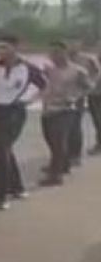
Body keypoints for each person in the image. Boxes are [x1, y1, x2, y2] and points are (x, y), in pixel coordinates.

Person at [0, 35, 45, 211]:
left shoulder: (28, 68)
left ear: (15, 48)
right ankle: (17, 187)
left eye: (5, 47)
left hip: (13, 112)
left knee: (1, 151)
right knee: (3, 150)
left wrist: (29, 100)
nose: (1, 51)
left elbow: (44, 85)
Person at [39, 41, 91, 187]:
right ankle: (63, 164)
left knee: (58, 141)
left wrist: (75, 97)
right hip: (49, 108)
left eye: (57, 52)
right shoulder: (49, 70)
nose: (53, 56)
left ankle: (55, 175)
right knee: (49, 138)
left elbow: (88, 87)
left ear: (64, 52)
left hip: (66, 109)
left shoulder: (77, 71)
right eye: (51, 53)